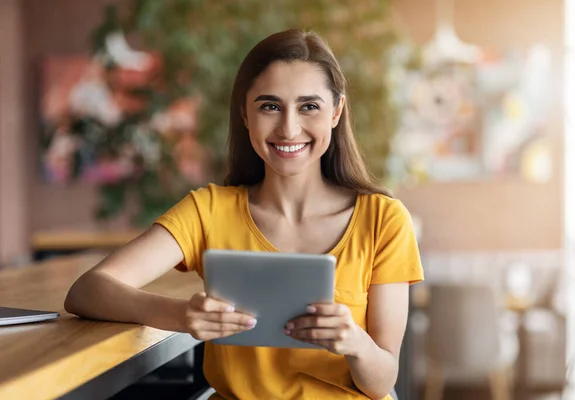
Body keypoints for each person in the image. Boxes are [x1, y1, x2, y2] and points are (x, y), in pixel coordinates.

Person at [65, 28, 424, 400]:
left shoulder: (384, 220)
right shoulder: (209, 210)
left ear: (336, 112)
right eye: (270, 106)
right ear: (245, 114)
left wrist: (356, 343)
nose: (288, 128)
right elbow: (87, 291)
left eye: (309, 106)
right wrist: (181, 316)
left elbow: (382, 382)